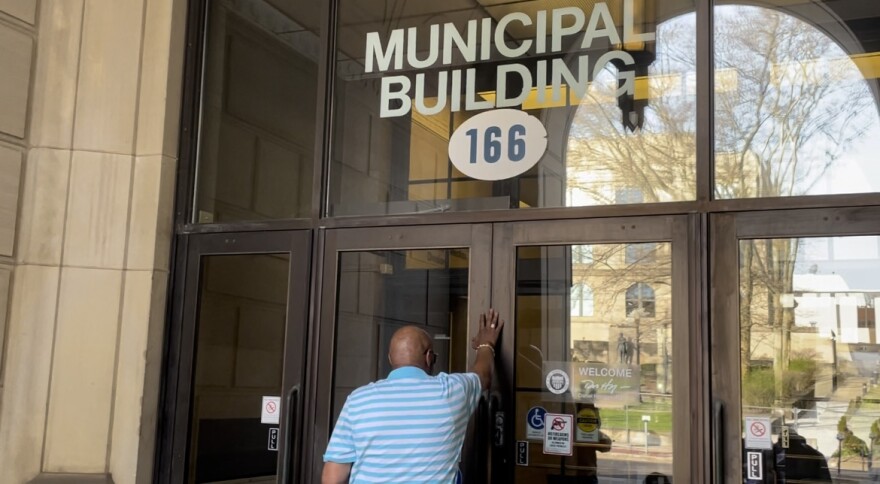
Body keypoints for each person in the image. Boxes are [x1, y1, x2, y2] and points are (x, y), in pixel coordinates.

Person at [321, 309, 505, 483]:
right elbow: (483, 375)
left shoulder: (358, 401)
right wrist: (485, 344)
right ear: (429, 358)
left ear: (391, 359)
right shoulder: (451, 392)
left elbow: (333, 478)